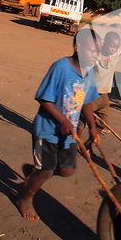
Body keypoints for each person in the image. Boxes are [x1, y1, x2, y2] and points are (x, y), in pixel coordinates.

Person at [16, 28, 102, 220]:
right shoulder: (60, 67)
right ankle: (25, 197)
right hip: (48, 130)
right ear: (76, 46)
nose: (95, 56)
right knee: (46, 170)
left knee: (67, 170)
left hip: (69, 133)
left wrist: (93, 127)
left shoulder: (88, 73)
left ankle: (33, 173)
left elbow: (87, 100)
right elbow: (44, 98)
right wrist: (62, 120)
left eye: (98, 52)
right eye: (91, 51)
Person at [77, 31, 121, 155]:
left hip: (104, 96)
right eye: (112, 46)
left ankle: (87, 145)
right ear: (104, 44)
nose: (114, 49)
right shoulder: (94, 56)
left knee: (104, 121)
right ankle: (75, 145)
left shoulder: (114, 56)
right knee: (82, 120)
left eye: (116, 47)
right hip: (91, 94)